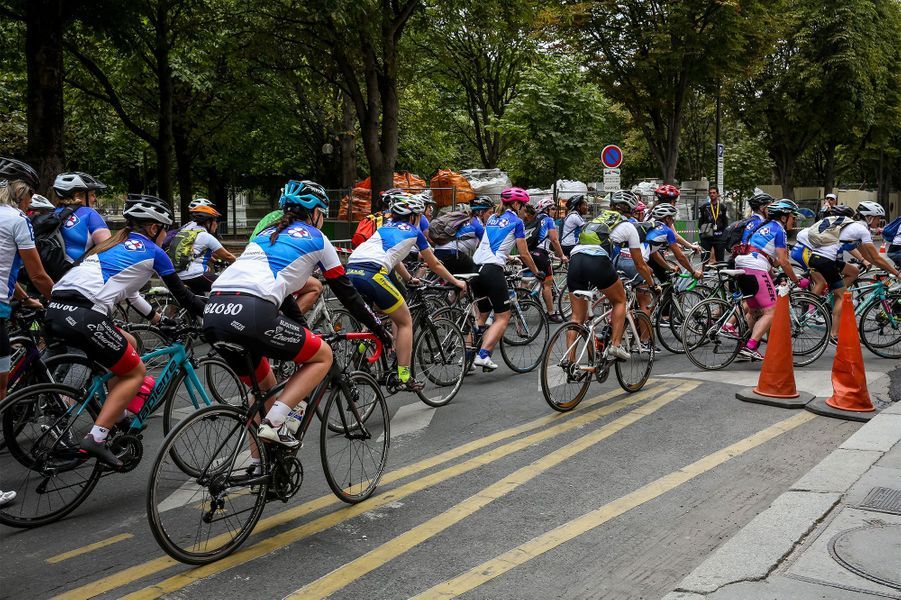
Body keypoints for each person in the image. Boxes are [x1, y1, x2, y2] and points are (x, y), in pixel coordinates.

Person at [203, 180, 391, 449]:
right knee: (323, 356)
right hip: (252, 311)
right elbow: (346, 293)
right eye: (323, 214)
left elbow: (285, 295)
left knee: (266, 393)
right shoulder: (318, 239)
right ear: (314, 212)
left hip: (214, 311)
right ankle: (275, 423)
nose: (323, 220)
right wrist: (378, 327)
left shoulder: (266, 234)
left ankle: (259, 468)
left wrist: (303, 329)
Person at [45, 194, 206, 468]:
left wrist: (156, 318)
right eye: (165, 229)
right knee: (135, 372)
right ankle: (96, 437)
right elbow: (185, 298)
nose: (165, 236)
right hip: (86, 315)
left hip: (56, 308)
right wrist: (215, 314)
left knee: (128, 342)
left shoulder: (107, 246)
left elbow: (131, 294)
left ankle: (117, 416)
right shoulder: (155, 252)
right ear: (154, 228)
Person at [347, 193, 466, 390]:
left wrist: (410, 278)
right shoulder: (414, 231)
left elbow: (395, 259)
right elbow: (434, 264)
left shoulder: (384, 228)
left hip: (352, 271)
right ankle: (404, 376)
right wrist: (456, 282)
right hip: (373, 273)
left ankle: (358, 350)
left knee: (377, 316)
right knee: (404, 321)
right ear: (414, 217)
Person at [0, 157, 55, 506]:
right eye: (29, 195)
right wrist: (58, 300)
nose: (29, 203)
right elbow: (36, 275)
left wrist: (24, 299)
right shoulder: (17, 219)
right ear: (20, 191)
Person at [469, 187, 545, 370]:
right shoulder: (517, 222)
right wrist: (536, 272)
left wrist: (506, 257)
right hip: (491, 270)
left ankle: (467, 358)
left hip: (475, 267)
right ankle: (483, 355)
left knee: (481, 316)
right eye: (524, 205)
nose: (524, 209)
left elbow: (489, 243)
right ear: (517, 204)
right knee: (503, 317)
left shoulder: (492, 218)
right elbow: (524, 253)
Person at [806, 201, 899, 340]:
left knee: (853, 272)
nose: (879, 221)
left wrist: (875, 266)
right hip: (826, 260)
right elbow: (876, 258)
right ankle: (834, 334)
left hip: (819, 257)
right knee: (843, 296)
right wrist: (897, 273)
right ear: (869, 217)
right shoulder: (861, 230)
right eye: (878, 218)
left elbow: (869, 258)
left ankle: (834, 292)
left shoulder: (855, 228)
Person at [733, 200, 805, 360]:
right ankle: (751, 345)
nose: (794, 220)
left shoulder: (765, 226)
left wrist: (777, 273)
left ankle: (743, 344)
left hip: (744, 266)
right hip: (755, 268)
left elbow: (772, 260)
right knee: (773, 310)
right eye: (793, 216)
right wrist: (797, 280)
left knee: (755, 311)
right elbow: (784, 261)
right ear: (784, 217)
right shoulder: (779, 230)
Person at [172, 199, 236, 294]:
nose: (217, 224)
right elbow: (228, 256)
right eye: (215, 221)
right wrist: (240, 262)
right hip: (194, 275)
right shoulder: (206, 236)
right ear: (208, 222)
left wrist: (214, 261)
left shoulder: (188, 231)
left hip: (179, 274)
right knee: (226, 287)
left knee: (200, 301)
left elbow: (197, 251)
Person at [51, 172, 111, 264]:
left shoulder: (52, 214)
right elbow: (108, 248)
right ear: (78, 195)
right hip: (81, 273)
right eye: (92, 195)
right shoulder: (90, 214)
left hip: (55, 273)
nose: (95, 199)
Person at [644, 204, 704, 284]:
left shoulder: (651, 227)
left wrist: (668, 268)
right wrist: (693, 272)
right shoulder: (667, 231)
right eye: (672, 218)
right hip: (637, 262)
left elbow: (654, 253)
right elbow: (680, 257)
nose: (674, 221)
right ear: (667, 218)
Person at [529, 197, 568, 322]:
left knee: (535, 278)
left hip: (530, 252)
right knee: (547, 284)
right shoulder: (549, 220)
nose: (554, 210)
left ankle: (524, 295)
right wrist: (562, 255)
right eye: (552, 208)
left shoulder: (534, 219)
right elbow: (554, 240)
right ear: (546, 210)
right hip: (541, 254)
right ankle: (551, 313)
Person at [432, 198, 488, 275]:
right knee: (476, 272)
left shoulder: (464, 221)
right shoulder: (476, 224)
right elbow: (488, 245)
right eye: (490, 212)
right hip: (452, 254)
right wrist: (507, 257)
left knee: (454, 278)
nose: (491, 216)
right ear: (481, 212)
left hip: (439, 251)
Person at [698, 186, 729, 264]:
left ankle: (720, 275)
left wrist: (724, 236)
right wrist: (702, 234)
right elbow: (700, 222)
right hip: (707, 237)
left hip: (719, 237)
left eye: (714, 193)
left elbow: (725, 222)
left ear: (717, 194)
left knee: (720, 260)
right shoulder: (704, 207)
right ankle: (703, 274)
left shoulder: (723, 207)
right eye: (710, 193)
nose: (712, 194)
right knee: (704, 259)